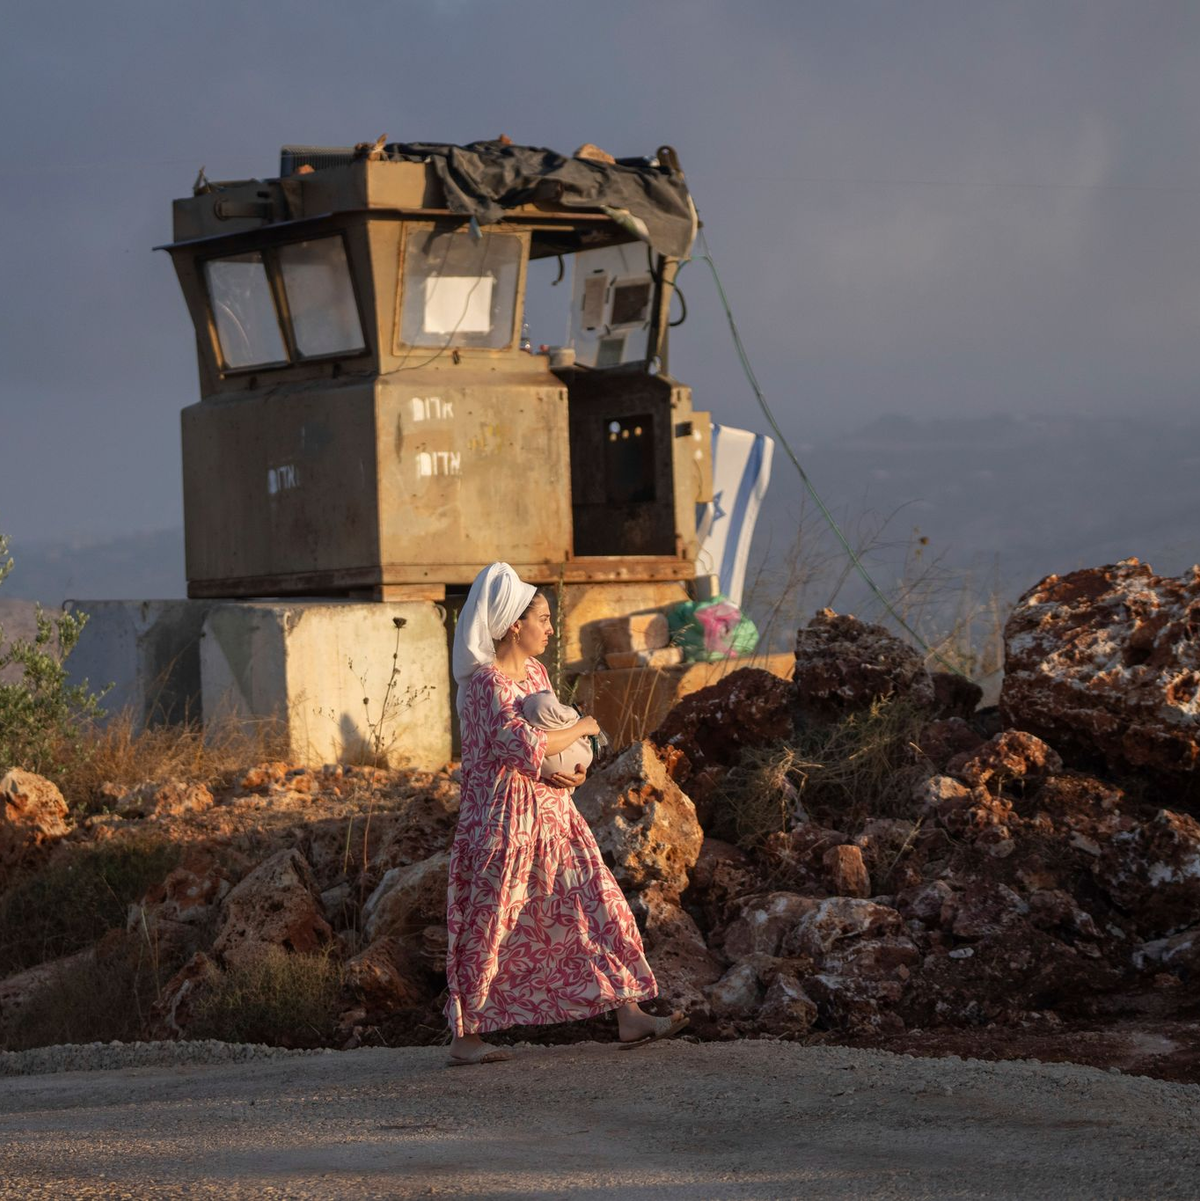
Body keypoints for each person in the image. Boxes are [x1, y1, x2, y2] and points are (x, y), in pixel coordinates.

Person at [445, 561, 688, 1066]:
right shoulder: (487, 683)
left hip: (554, 814)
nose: (551, 629)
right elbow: (523, 745)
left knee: (598, 901)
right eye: (544, 619)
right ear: (515, 624)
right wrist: (586, 726)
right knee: (492, 923)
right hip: (503, 822)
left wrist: (573, 771)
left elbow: (547, 741)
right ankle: (466, 1038)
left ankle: (630, 1014)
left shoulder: (534, 672)